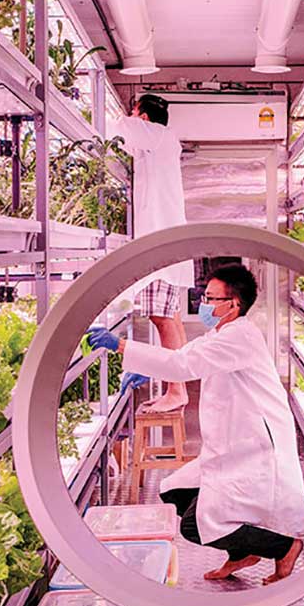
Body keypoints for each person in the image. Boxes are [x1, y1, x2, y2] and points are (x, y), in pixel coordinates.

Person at [87, 265, 304, 585]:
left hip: (253, 447)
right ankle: (241, 552)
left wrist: (122, 346)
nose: (203, 303)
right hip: (231, 444)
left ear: (233, 304)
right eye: (203, 296)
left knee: (195, 527)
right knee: (173, 492)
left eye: (210, 298)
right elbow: (186, 356)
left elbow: (182, 364)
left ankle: (285, 548)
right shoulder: (220, 333)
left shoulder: (239, 337)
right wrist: (148, 369)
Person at [109, 94, 194, 413]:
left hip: (161, 246)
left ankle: (176, 389)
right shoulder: (160, 144)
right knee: (170, 317)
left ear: (143, 118)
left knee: (161, 318)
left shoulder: (159, 135)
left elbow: (118, 127)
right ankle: (178, 385)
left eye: (135, 114)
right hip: (164, 245)